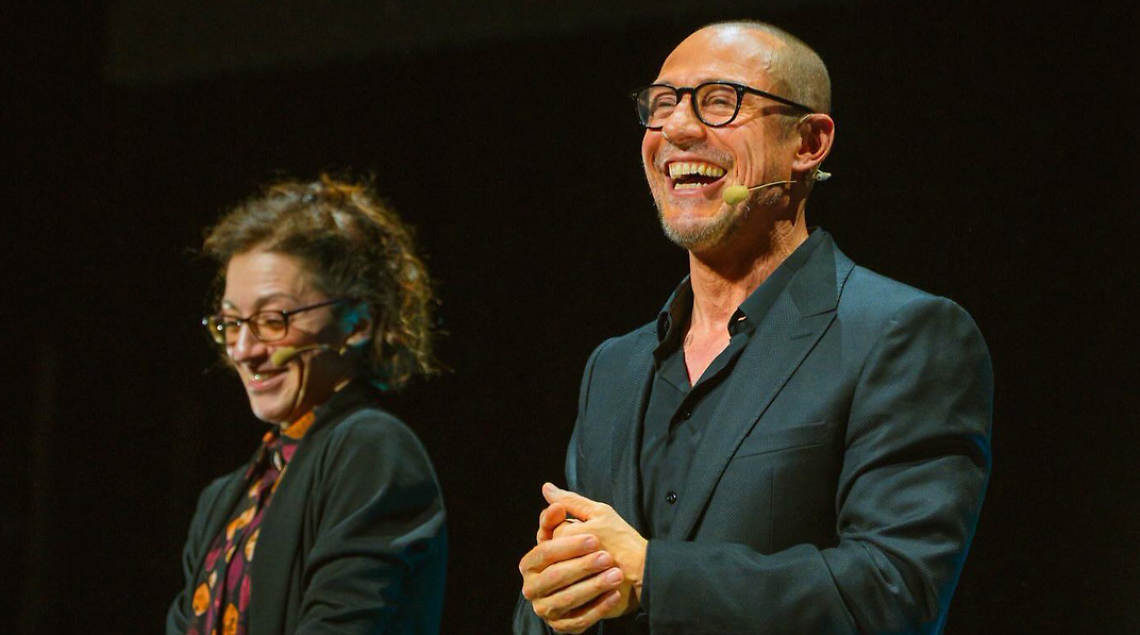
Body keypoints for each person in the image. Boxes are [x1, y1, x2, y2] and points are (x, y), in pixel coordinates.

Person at [515, 20, 992, 635]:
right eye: (662, 105)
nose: (678, 129)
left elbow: (894, 591)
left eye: (720, 101)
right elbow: (566, 602)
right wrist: (552, 597)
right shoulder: (614, 367)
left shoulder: (904, 335)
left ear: (809, 143)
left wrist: (654, 577)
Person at [166, 176, 447, 635]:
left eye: (272, 320)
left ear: (357, 321)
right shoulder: (226, 499)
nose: (242, 349)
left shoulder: (372, 451)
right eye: (230, 322)